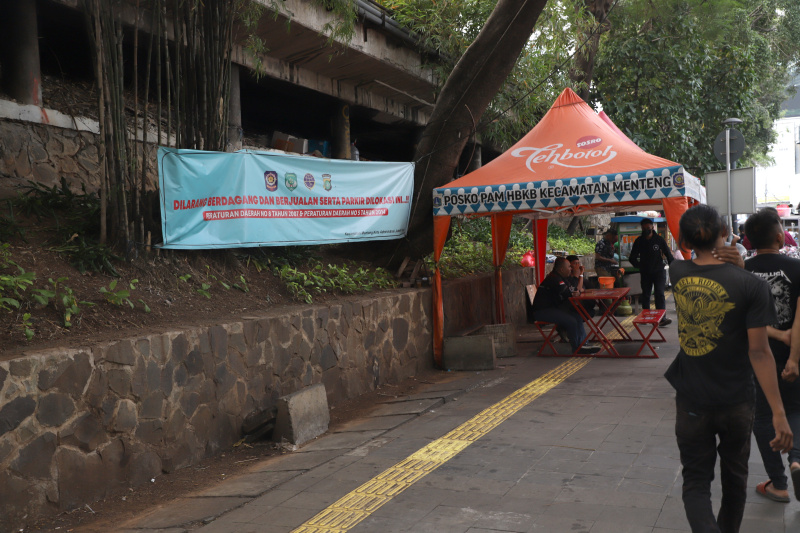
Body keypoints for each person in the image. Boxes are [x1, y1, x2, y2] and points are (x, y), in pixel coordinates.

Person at [666, 204, 792, 533]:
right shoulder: (750, 285)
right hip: (737, 400)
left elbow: (695, 264)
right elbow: (760, 352)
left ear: (684, 238)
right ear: (725, 233)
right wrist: (778, 413)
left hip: (692, 398)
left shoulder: (676, 274)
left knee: (695, 483)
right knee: (735, 484)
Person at [741, 209, 800, 503]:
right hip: (795, 356)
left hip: (756, 359)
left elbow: (738, 320)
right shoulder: (798, 267)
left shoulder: (741, 271)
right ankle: (797, 461)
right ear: (780, 237)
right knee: (796, 410)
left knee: (763, 417)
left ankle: (778, 484)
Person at [531, 257, 600, 355]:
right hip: (543, 312)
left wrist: (576, 292)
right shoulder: (554, 279)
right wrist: (575, 292)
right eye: (569, 267)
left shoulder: (562, 278)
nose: (571, 269)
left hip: (554, 309)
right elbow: (568, 293)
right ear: (561, 269)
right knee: (571, 320)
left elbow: (573, 291)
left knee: (577, 316)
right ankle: (577, 348)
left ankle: (584, 344)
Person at [629, 218, 673, 326]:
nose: (646, 230)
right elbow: (632, 258)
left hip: (659, 271)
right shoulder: (639, 241)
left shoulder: (659, 240)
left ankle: (662, 319)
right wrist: (639, 266)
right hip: (645, 273)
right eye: (644, 228)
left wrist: (674, 266)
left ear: (652, 227)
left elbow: (668, 254)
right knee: (646, 295)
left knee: (659, 294)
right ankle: (645, 317)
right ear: (641, 228)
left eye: (648, 228)